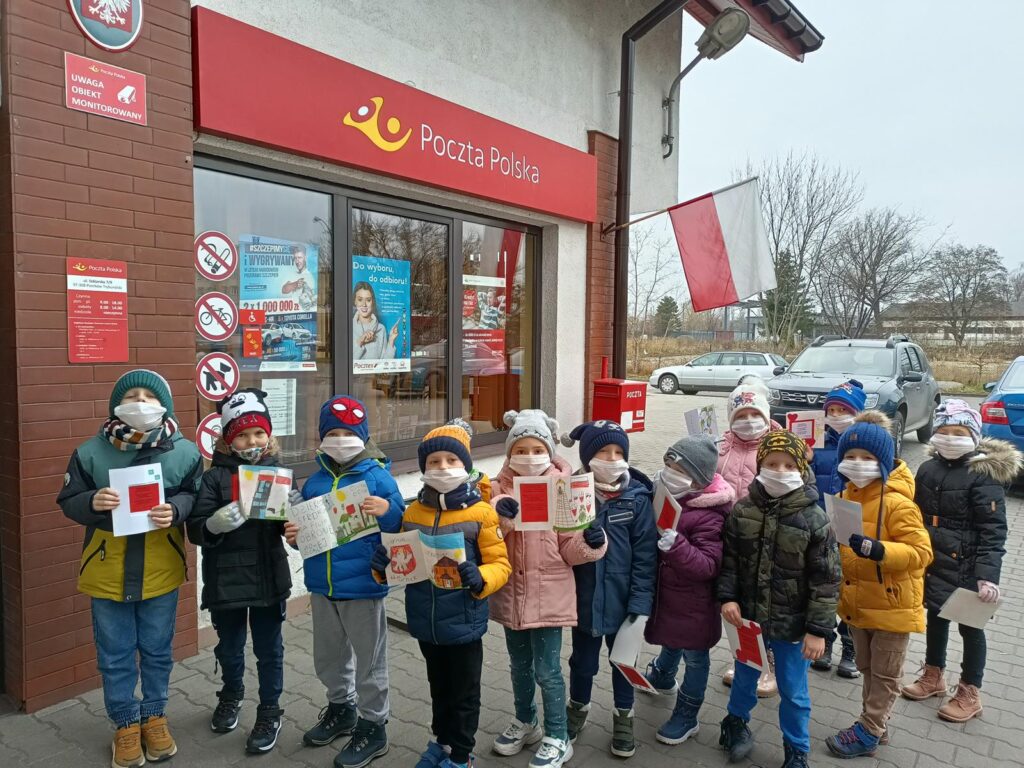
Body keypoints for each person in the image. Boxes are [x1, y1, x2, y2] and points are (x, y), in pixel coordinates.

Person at [57, 370, 202, 768]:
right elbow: (68, 499)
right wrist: (91, 501)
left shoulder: (185, 453)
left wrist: (177, 509)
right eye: (131, 395)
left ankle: (154, 716)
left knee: (157, 649)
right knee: (115, 653)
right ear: (115, 406)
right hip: (108, 570)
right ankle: (124, 722)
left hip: (160, 569)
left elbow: (195, 495)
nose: (140, 402)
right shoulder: (90, 452)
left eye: (149, 397)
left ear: (164, 406)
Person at [371, 420, 510, 768]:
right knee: (439, 688)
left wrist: (481, 577)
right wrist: (382, 567)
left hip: (464, 622)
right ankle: (443, 742)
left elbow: (501, 564)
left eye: (451, 460)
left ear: (465, 465)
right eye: (434, 461)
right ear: (424, 467)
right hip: (426, 622)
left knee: (464, 693)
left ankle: (461, 756)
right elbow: (401, 561)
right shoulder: (413, 512)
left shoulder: (482, 513)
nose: (443, 467)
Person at [283, 395, 405, 768]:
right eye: (332, 433)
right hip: (323, 585)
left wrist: (388, 511)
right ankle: (341, 708)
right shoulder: (315, 481)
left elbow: (401, 525)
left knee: (369, 661)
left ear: (363, 436)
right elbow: (306, 533)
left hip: (363, 586)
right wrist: (294, 536)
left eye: (348, 433)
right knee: (329, 656)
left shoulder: (377, 477)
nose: (340, 440)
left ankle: (374, 726)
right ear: (321, 436)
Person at [488, 410, 607, 768]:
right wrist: (501, 518)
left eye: (537, 449)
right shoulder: (496, 490)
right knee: (518, 665)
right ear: (510, 453)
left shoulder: (563, 489)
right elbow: (487, 541)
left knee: (548, 670)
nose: (529, 457)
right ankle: (527, 721)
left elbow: (570, 549)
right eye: (520, 450)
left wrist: (591, 543)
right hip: (512, 595)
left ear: (550, 451)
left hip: (549, 597)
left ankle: (558, 735)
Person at [717, 431, 840, 768]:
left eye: (788, 465)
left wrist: (818, 630)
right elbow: (730, 561)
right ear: (760, 466)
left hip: (793, 625)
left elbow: (826, 580)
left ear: (801, 469)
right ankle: (735, 725)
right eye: (772, 463)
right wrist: (728, 597)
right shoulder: (743, 510)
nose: (780, 470)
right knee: (744, 677)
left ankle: (797, 748)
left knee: (793, 689)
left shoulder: (815, 519)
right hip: (748, 619)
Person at [187, 389, 291, 755]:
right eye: (243, 435)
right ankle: (231, 693)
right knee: (229, 648)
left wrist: (296, 527)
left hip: (268, 577)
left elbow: (291, 524)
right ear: (228, 439)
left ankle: (270, 710)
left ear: (269, 436)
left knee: (269, 651)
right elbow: (196, 528)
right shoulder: (214, 478)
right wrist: (213, 524)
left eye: (259, 433)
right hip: (226, 579)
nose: (252, 441)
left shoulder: (278, 475)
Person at [902, 400, 1020, 722]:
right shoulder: (928, 468)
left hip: (969, 566)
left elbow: (993, 531)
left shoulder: (983, 476)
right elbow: (914, 513)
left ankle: (970, 691)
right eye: (945, 430)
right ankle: (933, 675)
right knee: (936, 618)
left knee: (971, 628)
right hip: (935, 560)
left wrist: (988, 575)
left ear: (974, 436)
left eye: (959, 432)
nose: (950, 438)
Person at [825, 412, 933, 759]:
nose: (857, 463)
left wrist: (881, 550)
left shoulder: (899, 503)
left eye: (867, 457)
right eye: (850, 456)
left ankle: (869, 731)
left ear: (883, 461)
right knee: (868, 668)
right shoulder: (844, 495)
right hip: (858, 602)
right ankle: (874, 723)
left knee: (886, 674)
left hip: (892, 606)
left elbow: (921, 552)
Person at [560, 420, 657, 759]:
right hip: (584, 600)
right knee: (582, 662)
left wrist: (640, 604)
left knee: (624, 663)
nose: (612, 459)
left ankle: (624, 716)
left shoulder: (637, 500)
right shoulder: (571, 492)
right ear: (588, 456)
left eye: (618, 452)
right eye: (603, 451)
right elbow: (559, 548)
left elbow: (645, 557)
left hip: (623, 601)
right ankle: (578, 708)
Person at [643, 436, 735, 747]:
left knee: (695, 658)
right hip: (669, 595)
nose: (670, 473)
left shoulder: (710, 514)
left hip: (696, 604)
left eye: (679, 470)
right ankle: (663, 674)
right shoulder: (668, 496)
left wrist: (677, 545)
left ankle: (688, 713)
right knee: (671, 637)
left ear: (698, 479)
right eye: (668, 465)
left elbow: (708, 565)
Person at [717, 376, 780, 697]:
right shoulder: (721, 448)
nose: (749, 420)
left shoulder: (777, 449)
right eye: (741, 415)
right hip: (730, 540)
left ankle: (769, 666)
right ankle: (744, 659)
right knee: (736, 605)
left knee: (763, 607)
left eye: (755, 414)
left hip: (765, 542)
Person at [810, 379, 867, 678]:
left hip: (853, 525)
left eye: (843, 410)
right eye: (831, 410)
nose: (836, 415)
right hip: (821, 523)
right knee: (824, 583)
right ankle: (826, 639)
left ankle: (850, 646)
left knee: (850, 587)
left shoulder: (865, 444)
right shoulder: (817, 441)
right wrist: (806, 459)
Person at [353, 281, 398, 361]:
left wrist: (391, 340)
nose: (364, 304)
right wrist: (360, 342)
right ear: (355, 301)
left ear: (372, 302)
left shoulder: (381, 329)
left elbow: (385, 363)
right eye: (360, 299)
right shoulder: (348, 327)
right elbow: (344, 362)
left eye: (368, 300)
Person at [281, 243, 317, 310]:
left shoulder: (310, 276)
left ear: (305, 258)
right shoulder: (292, 274)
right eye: (295, 258)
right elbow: (284, 290)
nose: (297, 261)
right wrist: (295, 284)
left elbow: (310, 300)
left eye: (300, 258)